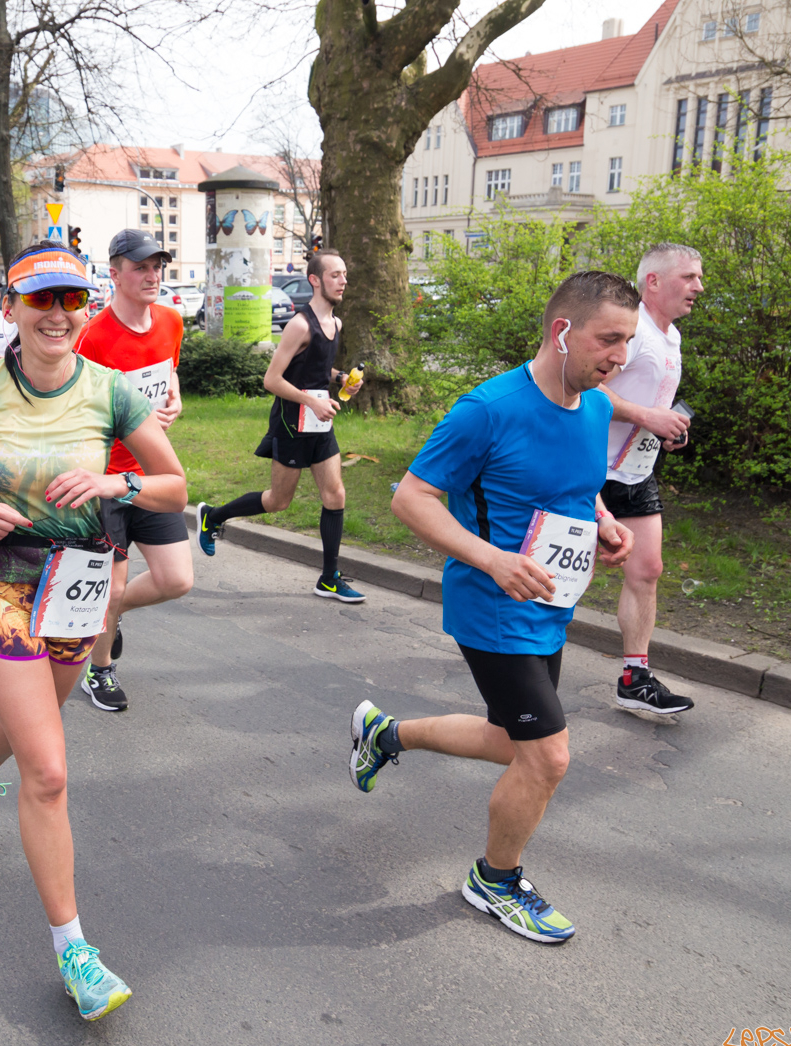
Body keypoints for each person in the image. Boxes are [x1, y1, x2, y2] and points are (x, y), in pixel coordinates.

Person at [0, 241, 186, 1020]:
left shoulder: (113, 391)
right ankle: (75, 952)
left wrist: (112, 478)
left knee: (35, 724)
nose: (56, 315)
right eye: (40, 301)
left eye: (70, 302)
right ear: (14, 308)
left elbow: (173, 481)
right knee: (49, 769)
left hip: (78, 583)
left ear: (84, 309)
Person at [353, 271, 639, 945]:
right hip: (494, 603)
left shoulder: (594, 405)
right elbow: (410, 498)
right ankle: (496, 879)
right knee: (548, 757)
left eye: (627, 341)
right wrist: (492, 559)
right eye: (609, 339)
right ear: (562, 330)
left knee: (513, 739)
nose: (619, 357)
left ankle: (384, 734)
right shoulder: (487, 409)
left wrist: (602, 520)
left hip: (549, 601)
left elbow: (572, 487)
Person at [195, 250, 365, 602]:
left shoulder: (336, 323)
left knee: (335, 495)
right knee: (278, 501)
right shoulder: (300, 325)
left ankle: (329, 578)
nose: (343, 280)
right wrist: (312, 401)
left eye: (345, 274)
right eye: (335, 275)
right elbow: (271, 380)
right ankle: (213, 517)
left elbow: (317, 371)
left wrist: (341, 378)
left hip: (319, 423)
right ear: (316, 280)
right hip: (292, 423)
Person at [71, 230, 194, 713]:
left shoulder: (170, 320)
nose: (151, 275)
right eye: (140, 266)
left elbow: (168, 372)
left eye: (157, 265)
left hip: (150, 475)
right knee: (113, 584)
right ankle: (99, 671)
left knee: (175, 580)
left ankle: (109, 616)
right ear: (115, 273)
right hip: (103, 479)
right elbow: (72, 408)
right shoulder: (92, 336)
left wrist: (174, 401)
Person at [600, 244, 703, 721]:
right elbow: (588, 386)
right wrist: (648, 416)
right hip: (591, 473)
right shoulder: (632, 329)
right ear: (654, 282)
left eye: (699, 278)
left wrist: (666, 431)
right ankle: (506, 647)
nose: (698, 287)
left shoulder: (671, 336)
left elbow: (650, 403)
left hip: (637, 473)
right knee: (558, 573)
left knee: (648, 570)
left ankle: (634, 680)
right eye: (689, 277)